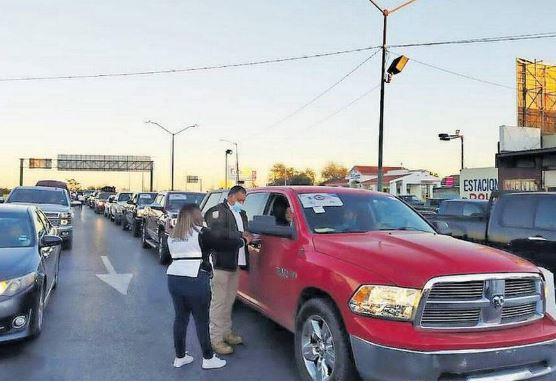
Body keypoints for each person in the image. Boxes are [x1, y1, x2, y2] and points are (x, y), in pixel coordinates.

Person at [167, 203, 246, 370]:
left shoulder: (172, 235)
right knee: (201, 320)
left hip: (174, 278)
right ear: (195, 216)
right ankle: (208, 359)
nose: (202, 216)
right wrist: (243, 240)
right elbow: (224, 245)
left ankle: (179, 357)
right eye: (199, 214)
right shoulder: (202, 233)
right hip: (195, 278)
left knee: (180, 319)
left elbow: (170, 255)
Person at [204, 185, 253, 355]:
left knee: (229, 301)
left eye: (244, 200)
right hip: (221, 264)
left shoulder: (242, 213)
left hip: (235, 263)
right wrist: (241, 235)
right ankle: (215, 339)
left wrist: (248, 235)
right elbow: (217, 232)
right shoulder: (216, 211)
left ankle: (226, 332)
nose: (242, 202)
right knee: (218, 303)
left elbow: (246, 232)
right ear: (231, 196)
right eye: (240, 199)